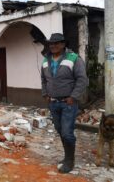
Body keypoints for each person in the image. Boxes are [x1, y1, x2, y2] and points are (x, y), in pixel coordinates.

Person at [41, 33, 88, 173]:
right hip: (53, 103)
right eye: (51, 44)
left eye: (57, 43)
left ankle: (70, 161)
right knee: (60, 130)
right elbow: (44, 79)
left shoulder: (74, 58)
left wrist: (73, 97)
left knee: (67, 133)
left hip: (68, 102)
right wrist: (45, 94)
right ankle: (67, 156)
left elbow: (82, 80)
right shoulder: (45, 59)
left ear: (63, 44)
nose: (53, 46)